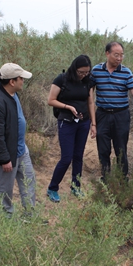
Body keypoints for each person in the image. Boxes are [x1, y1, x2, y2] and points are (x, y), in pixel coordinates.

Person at [89, 41, 133, 180]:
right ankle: (106, 178)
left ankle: (123, 179)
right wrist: (92, 120)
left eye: (122, 55)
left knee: (121, 148)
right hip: (102, 114)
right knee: (103, 149)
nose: (119, 58)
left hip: (121, 115)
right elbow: (89, 93)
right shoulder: (96, 71)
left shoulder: (126, 72)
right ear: (107, 54)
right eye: (116, 55)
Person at [0, 63, 37, 216]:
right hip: (8, 154)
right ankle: (5, 219)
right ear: (12, 81)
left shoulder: (12, 93)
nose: (23, 81)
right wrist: (4, 158)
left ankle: (30, 216)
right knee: (4, 189)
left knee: (29, 181)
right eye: (21, 78)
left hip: (21, 149)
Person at [46, 55, 96, 202]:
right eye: (81, 72)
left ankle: (76, 187)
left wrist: (93, 124)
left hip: (83, 122)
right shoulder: (62, 79)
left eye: (86, 72)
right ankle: (52, 188)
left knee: (78, 156)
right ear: (74, 68)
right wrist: (68, 107)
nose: (83, 75)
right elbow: (51, 100)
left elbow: (90, 103)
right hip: (66, 122)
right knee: (66, 158)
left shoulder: (88, 81)